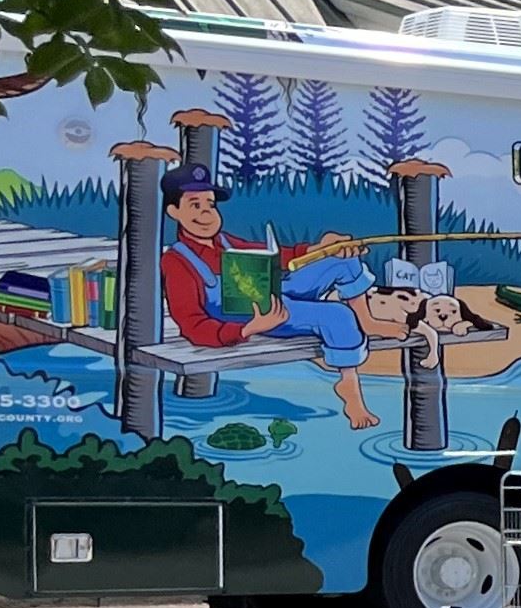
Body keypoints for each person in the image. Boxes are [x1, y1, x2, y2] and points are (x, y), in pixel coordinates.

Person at [157, 162, 436, 429]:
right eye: (195, 205)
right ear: (173, 211)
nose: (206, 213)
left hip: (272, 290)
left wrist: (321, 249)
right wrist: (249, 328)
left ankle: (366, 321)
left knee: (342, 259)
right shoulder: (177, 261)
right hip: (253, 315)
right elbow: (192, 325)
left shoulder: (226, 241)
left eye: (210, 205)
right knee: (337, 315)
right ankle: (349, 386)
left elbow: (280, 257)